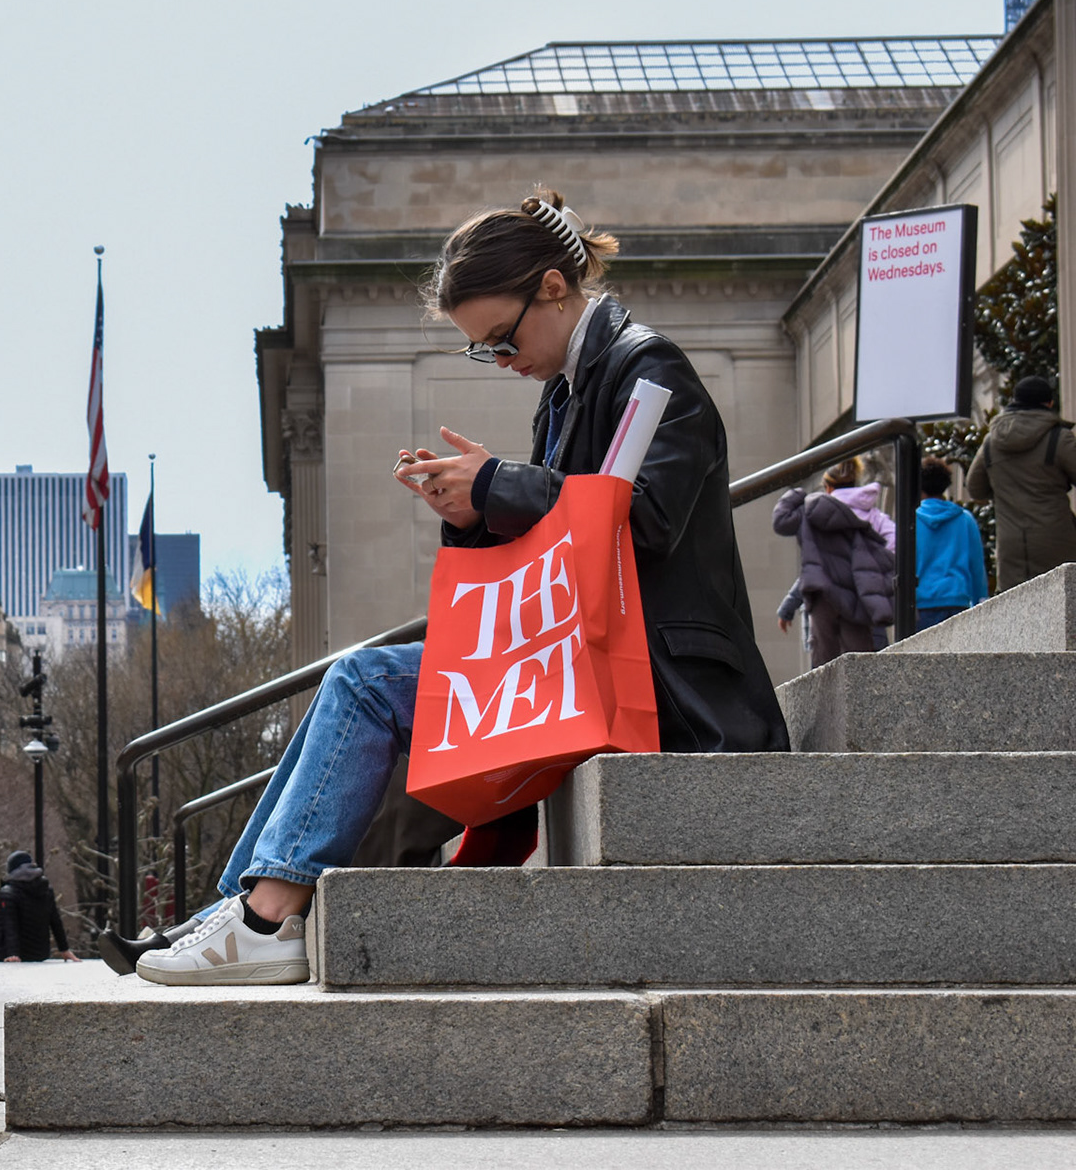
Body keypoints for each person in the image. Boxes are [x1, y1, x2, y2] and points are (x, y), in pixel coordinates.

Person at [129, 189, 787, 987]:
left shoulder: (651, 368)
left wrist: (500, 484)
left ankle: (265, 916)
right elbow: (562, 548)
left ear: (552, 286)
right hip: (597, 660)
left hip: (672, 687)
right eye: (485, 351)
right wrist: (473, 509)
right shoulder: (573, 389)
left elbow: (642, 521)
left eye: (500, 340)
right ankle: (242, 910)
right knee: (360, 679)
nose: (502, 362)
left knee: (366, 683)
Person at [773, 457, 897, 666]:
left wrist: (798, 493)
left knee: (825, 660)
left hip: (825, 596)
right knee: (863, 662)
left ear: (828, 487)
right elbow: (894, 547)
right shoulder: (874, 515)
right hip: (863, 598)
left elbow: (782, 523)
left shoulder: (813, 512)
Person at [967, 375, 1076, 591]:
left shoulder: (991, 442)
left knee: (1019, 612)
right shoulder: (1058, 438)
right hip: (1055, 539)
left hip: (1011, 546)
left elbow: (975, 488)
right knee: (1064, 606)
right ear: (1049, 403)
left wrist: (1005, 489)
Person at [0, 852, 81, 967]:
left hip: (8, 950)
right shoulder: (46, 890)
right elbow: (55, 919)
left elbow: (10, 924)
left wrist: (13, 954)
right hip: (39, 952)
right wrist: (64, 949)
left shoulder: (9, 892)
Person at [914, 455, 988, 630]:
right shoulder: (965, 519)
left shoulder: (911, 522)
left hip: (922, 603)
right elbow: (977, 567)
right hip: (958, 600)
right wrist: (982, 601)